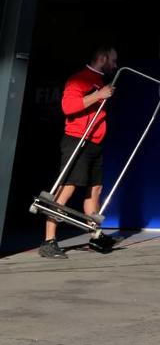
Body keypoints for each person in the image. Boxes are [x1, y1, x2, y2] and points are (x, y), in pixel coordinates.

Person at [40, 46, 118, 259]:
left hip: (94, 143)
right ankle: (49, 241)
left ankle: (95, 236)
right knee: (66, 188)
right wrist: (98, 95)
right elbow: (68, 107)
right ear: (102, 58)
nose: (115, 64)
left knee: (95, 189)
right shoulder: (79, 79)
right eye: (112, 60)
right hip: (77, 140)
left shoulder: (99, 80)